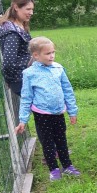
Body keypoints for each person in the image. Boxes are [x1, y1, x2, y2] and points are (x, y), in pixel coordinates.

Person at [14, 37, 80, 181]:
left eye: (53, 52)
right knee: (47, 142)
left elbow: (67, 90)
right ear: (36, 55)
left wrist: (72, 111)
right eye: (47, 53)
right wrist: (23, 120)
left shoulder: (58, 69)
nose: (52, 56)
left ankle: (67, 166)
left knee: (61, 140)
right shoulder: (29, 74)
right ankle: (54, 170)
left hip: (58, 113)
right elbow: (26, 98)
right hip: (42, 114)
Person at [0, 0, 35, 96]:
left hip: (28, 77)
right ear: (16, 7)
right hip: (22, 80)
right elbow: (8, 62)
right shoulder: (12, 32)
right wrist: (10, 80)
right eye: (28, 9)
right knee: (46, 109)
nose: (31, 12)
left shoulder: (19, 25)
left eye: (32, 9)